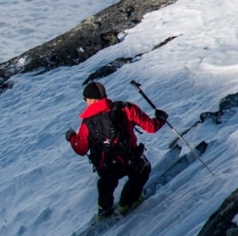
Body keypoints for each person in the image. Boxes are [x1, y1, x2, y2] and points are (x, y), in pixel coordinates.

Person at [65, 80, 166, 218]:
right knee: (142, 170)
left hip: (106, 168)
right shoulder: (126, 108)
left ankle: (104, 210)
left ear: (93, 100)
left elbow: (81, 149)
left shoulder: (87, 123)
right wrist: (160, 118)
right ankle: (127, 203)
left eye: (86, 99)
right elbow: (151, 127)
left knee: (105, 183)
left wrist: (71, 137)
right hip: (130, 161)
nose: (85, 102)